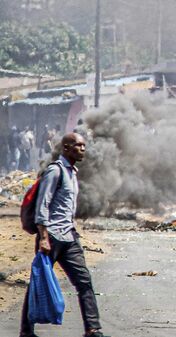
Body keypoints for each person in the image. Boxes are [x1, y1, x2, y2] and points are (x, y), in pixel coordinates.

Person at [20, 133, 109, 337]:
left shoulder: (72, 173)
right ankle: (26, 332)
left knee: (84, 282)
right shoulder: (55, 171)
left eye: (84, 145)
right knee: (37, 282)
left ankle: (93, 329)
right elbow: (43, 205)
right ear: (66, 148)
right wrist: (43, 237)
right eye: (78, 145)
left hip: (69, 237)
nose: (83, 149)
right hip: (51, 237)